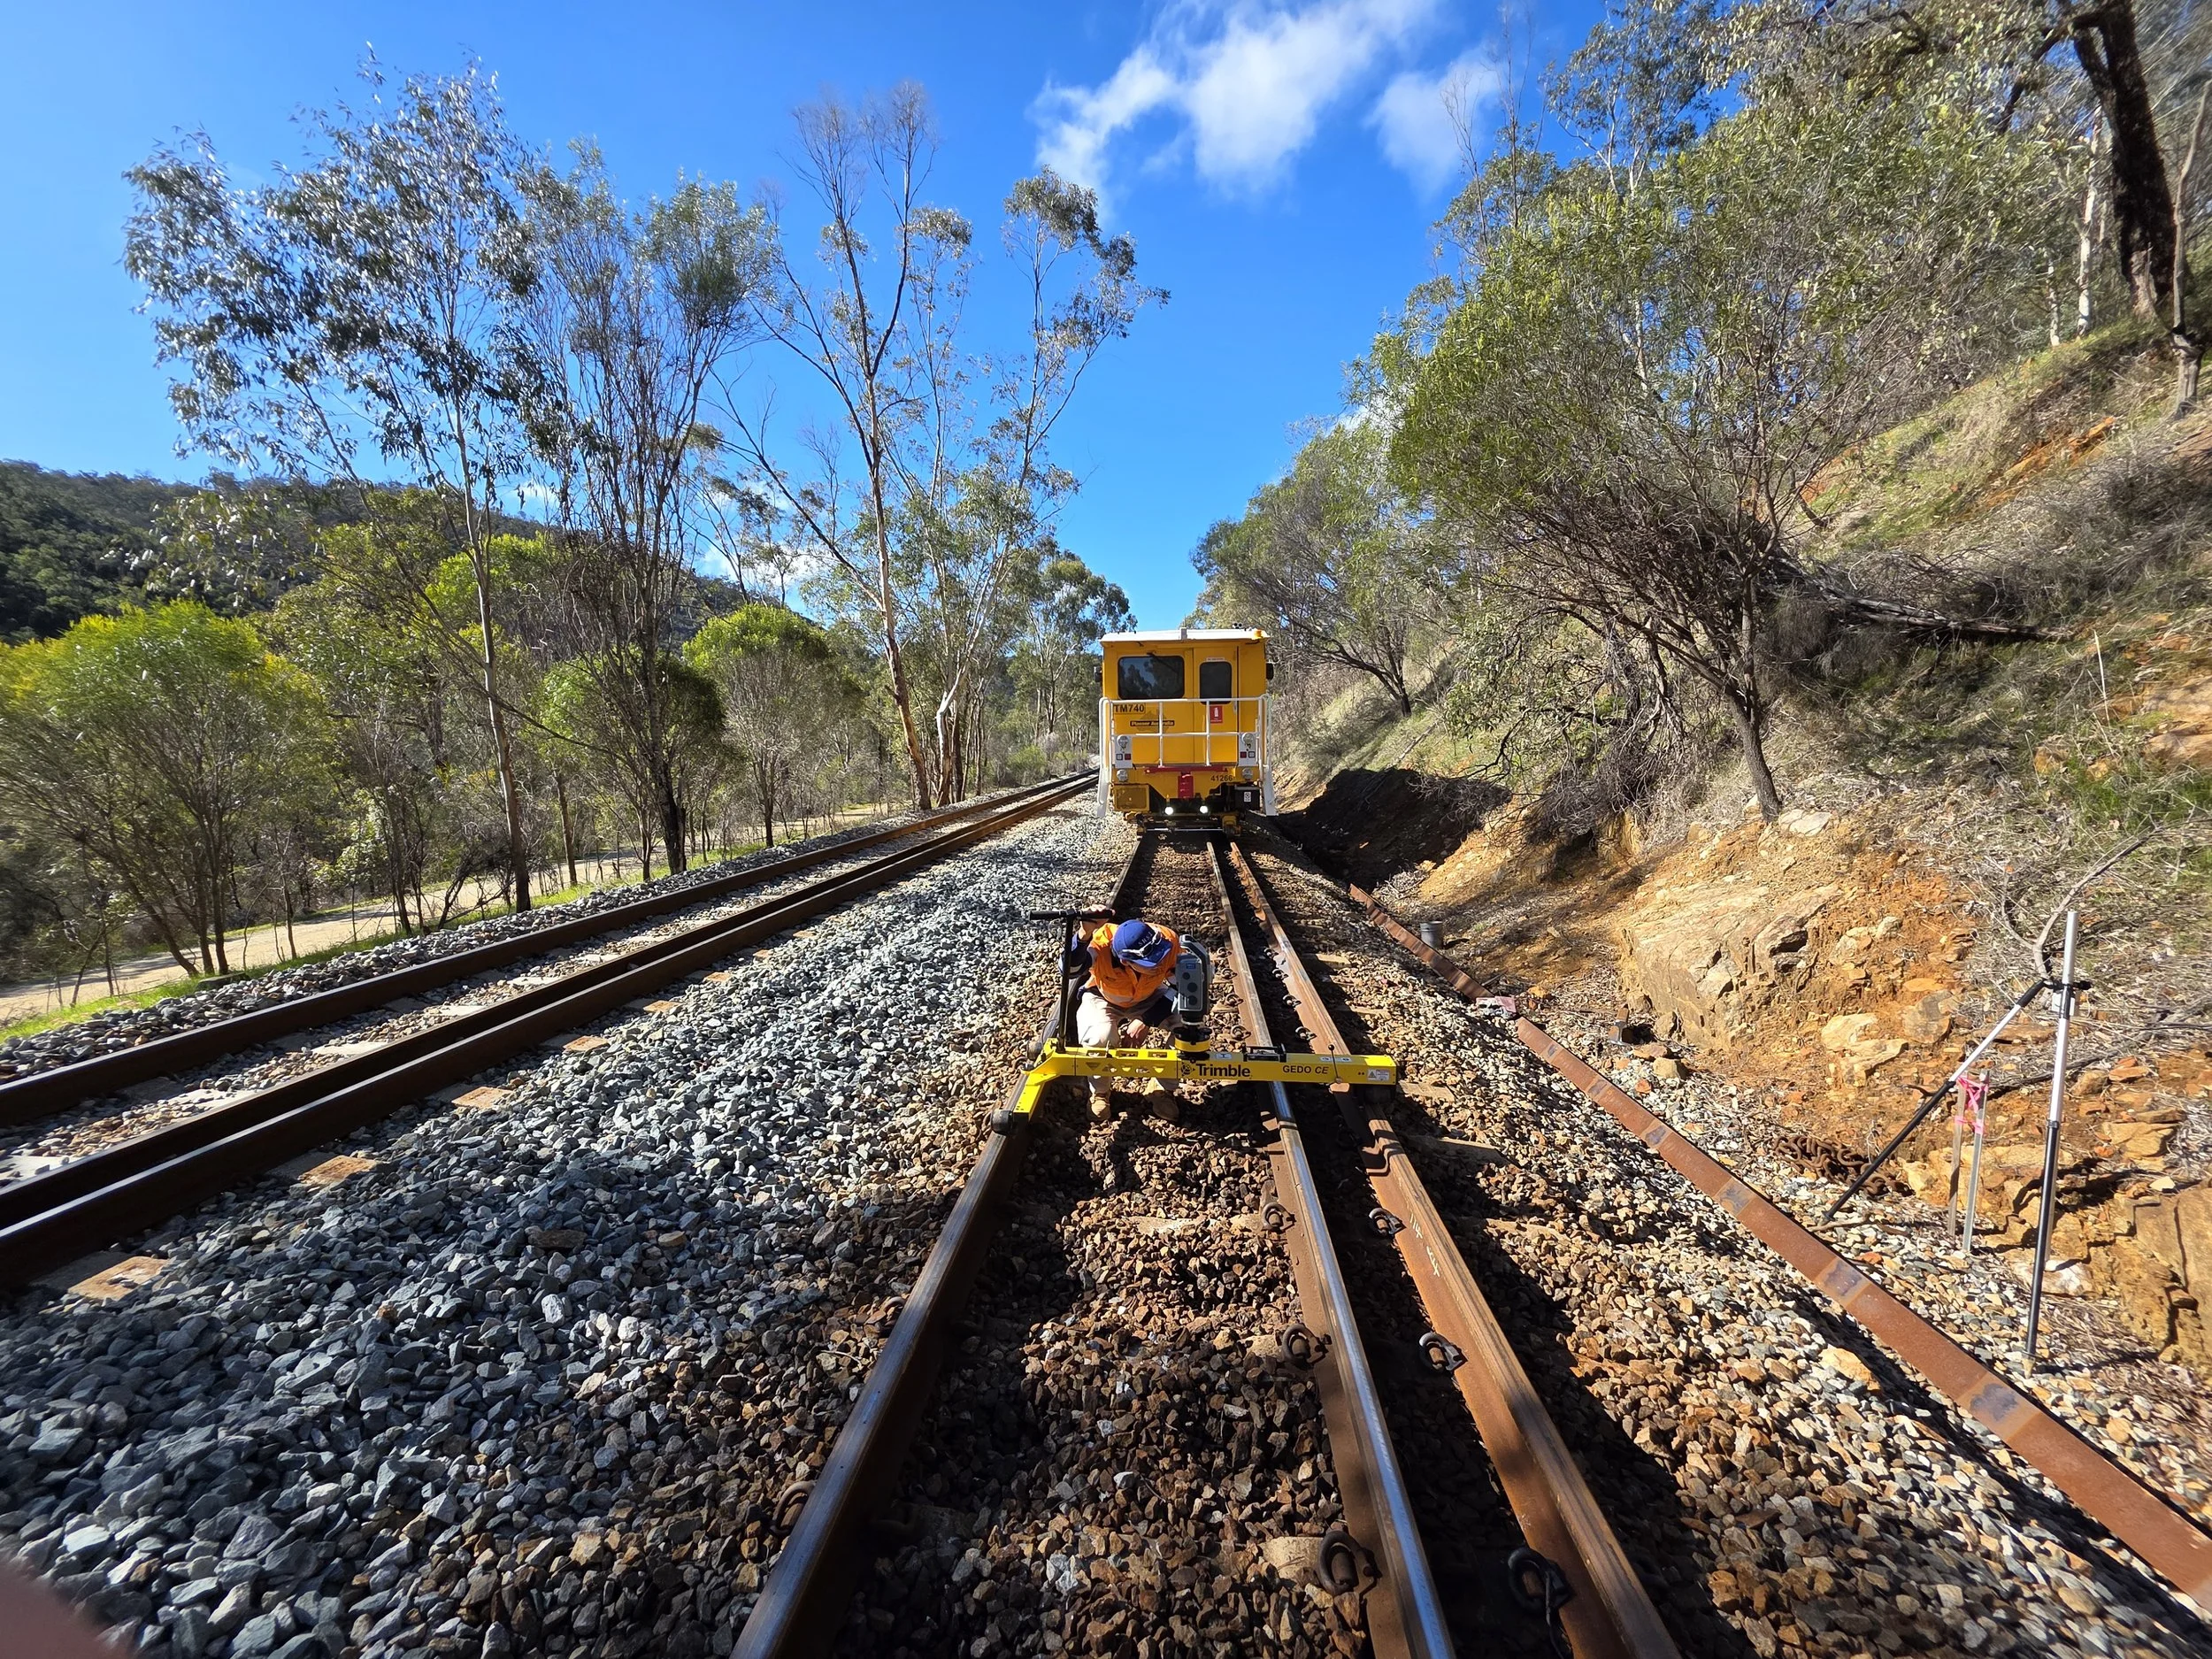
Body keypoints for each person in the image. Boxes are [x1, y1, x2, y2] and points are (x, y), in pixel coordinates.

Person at [1069, 915, 1182, 1118]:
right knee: (1099, 1037)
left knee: (1189, 1028)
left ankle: (1162, 1088)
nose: (1158, 964)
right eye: (1149, 963)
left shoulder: (1168, 940)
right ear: (1125, 960)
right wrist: (1083, 934)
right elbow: (1069, 970)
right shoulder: (1100, 944)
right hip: (1104, 996)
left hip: (1149, 996)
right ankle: (1100, 1093)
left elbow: (1180, 987)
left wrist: (1146, 1020)